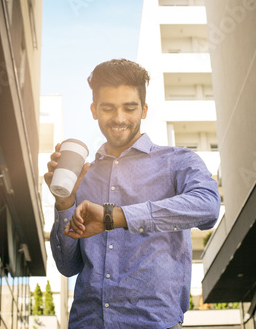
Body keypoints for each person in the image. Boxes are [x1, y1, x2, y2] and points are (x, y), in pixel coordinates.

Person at [45, 59, 220, 329]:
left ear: (144, 109)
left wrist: (116, 216)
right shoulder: (84, 176)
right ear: (94, 110)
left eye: (130, 108)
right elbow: (68, 266)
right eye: (108, 108)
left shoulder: (177, 162)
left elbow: (208, 206)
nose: (119, 118)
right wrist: (65, 202)